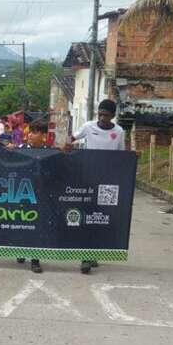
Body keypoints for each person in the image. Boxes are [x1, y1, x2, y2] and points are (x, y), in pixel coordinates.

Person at [71, 98, 126, 274]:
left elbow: (122, 156)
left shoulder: (119, 132)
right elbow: (72, 138)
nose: (102, 118)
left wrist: (131, 159)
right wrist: (65, 146)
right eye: (100, 114)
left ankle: (93, 252)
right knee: (88, 215)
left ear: (113, 116)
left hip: (108, 181)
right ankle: (85, 257)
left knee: (102, 217)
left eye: (106, 115)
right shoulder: (88, 126)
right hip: (88, 178)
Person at [6, 118, 52, 274]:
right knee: (22, 223)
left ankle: (35, 259)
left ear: (44, 136)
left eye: (35, 132)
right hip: (23, 194)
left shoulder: (49, 151)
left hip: (40, 195)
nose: (30, 135)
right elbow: (9, 161)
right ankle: (21, 249)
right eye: (30, 132)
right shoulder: (21, 148)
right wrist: (9, 150)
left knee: (37, 226)